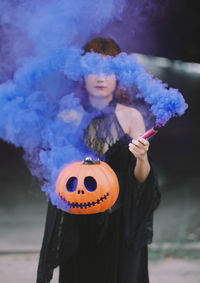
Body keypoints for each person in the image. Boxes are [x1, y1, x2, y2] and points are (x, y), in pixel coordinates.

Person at [37, 37, 160, 283]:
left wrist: (142, 157)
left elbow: (141, 181)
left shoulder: (132, 117)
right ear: (82, 74)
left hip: (119, 223)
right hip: (78, 220)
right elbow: (55, 174)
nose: (101, 78)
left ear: (118, 76)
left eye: (108, 71)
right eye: (93, 70)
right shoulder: (68, 114)